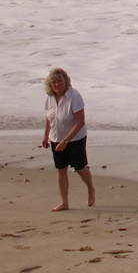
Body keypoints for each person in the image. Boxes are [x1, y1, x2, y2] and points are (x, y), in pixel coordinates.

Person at [41, 67, 95, 211]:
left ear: (65, 82)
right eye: (54, 82)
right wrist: (46, 135)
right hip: (56, 138)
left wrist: (66, 141)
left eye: (60, 81)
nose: (57, 84)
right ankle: (64, 202)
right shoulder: (50, 97)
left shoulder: (74, 96)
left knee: (80, 168)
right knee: (61, 169)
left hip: (75, 138)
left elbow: (80, 122)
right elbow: (49, 117)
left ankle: (91, 188)